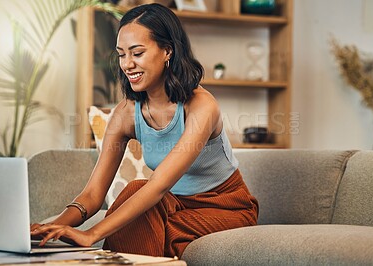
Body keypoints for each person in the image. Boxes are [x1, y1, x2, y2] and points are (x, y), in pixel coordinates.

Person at [31, 3, 258, 258]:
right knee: (135, 193)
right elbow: (93, 195)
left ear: (167, 51)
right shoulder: (126, 113)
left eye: (137, 53)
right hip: (173, 205)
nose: (127, 64)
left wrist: (92, 234)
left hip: (225, 207)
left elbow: (159, 185)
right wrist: (54, 226)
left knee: (145, 213)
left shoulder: (201, 107)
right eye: (121, 54)